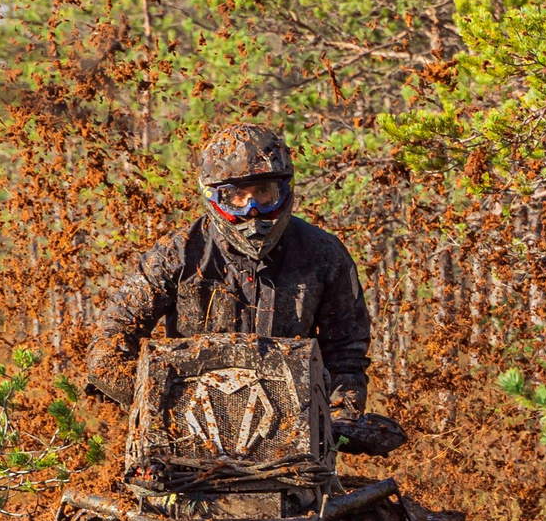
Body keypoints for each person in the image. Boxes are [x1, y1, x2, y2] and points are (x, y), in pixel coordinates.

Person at [83, 122, 372, 414]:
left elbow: (346, 352)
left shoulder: (322, 253)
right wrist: (159, 401)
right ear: (216, 198)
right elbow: (113, 336)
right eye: (237, 196)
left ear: (284, 191)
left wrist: (340, 415)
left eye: (264, 192)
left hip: (290, 428)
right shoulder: (178, 253)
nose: (252, 208)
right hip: (187, 425)